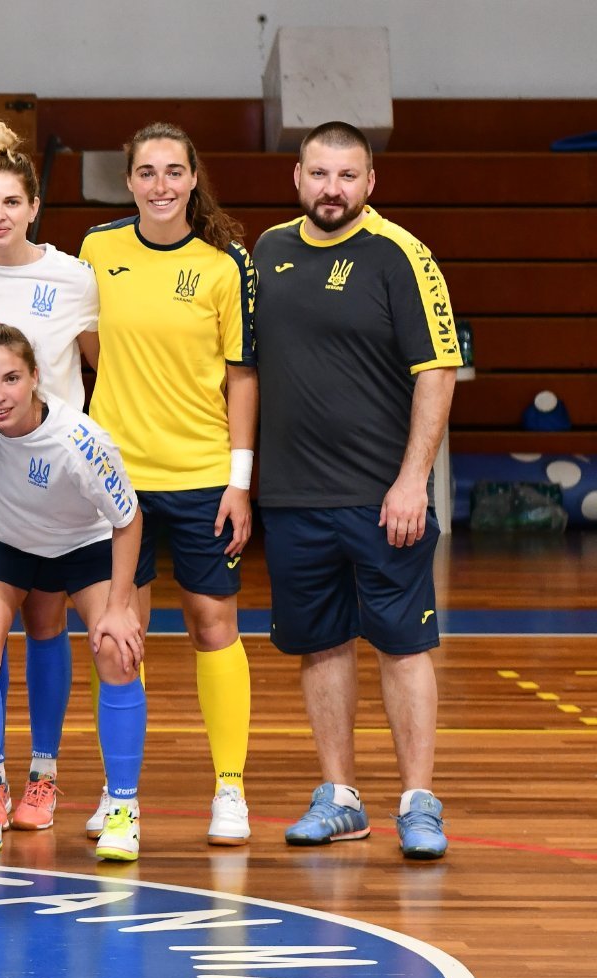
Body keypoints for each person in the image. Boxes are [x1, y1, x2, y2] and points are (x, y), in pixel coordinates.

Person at [254, 121, 461, 860]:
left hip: (383, 497)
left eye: (347, 176)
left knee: (404, 646)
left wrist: (413, 480)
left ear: (370, 182)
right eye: (319, 174)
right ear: (298, 178)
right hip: (291, 497)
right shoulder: (268, 252)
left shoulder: (401, 254)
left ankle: (418, 801)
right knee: (321, 646)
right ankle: (341, 797)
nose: (331, 189)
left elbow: (436, 371)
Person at [78, 122, 257, 847]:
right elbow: (90, 348)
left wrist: (239, 483)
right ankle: (120, 792)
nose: (160, 185)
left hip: (202, 476)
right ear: (129, 181)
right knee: (119, 633)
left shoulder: (224, 264)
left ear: (192, 178)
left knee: (214, 626)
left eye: (173, 172)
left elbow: (243, 376)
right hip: (116, 481)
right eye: (146, 172)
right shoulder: (97, 250)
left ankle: (230, 788)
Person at [0, 121, 102, 832]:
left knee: (44, 623)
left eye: (10, 201)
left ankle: (44, 772)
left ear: (34, 206)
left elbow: (102, 366)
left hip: (54, 483)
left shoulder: (72, 276)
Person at [0, 318, 147, 862]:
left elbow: (129, 521)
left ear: (36, 377)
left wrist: (118, 606)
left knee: (115, 652)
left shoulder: (79, 441)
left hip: (85, 544)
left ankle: (123, 808)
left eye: (11, 379)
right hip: (6, 542)